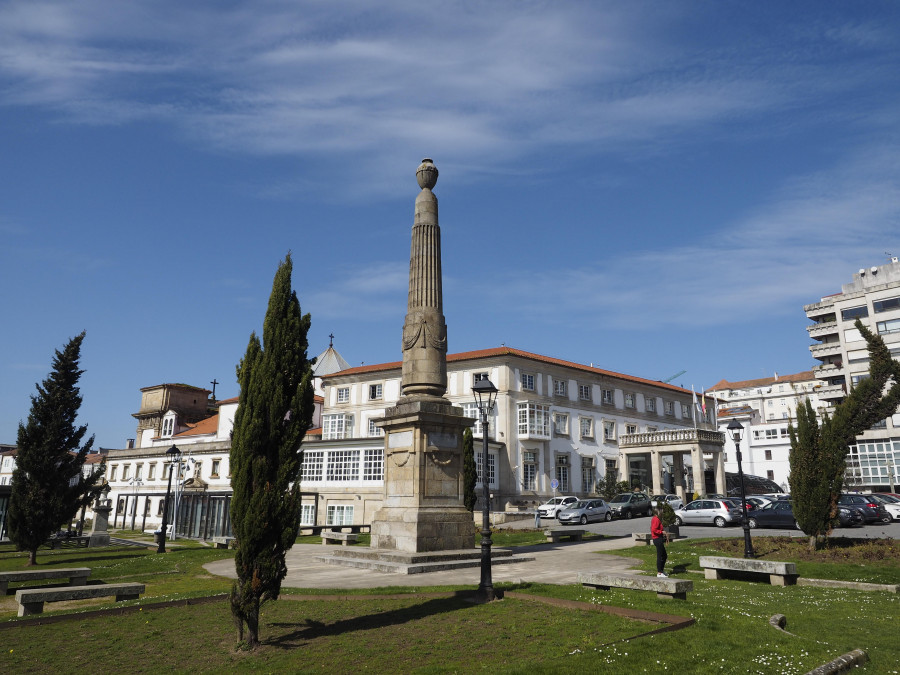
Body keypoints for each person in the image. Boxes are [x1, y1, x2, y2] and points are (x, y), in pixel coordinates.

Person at [650, 507, 669, 578]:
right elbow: (654, 529)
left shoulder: (657, 519)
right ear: (657, 512)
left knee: (664, 555)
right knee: (660, 556)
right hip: (657, 539)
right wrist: (661, 532)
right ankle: (659, 572)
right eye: (661, 512)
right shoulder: (656, 519)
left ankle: (661, 570)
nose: (662, 513)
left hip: (659, 538)